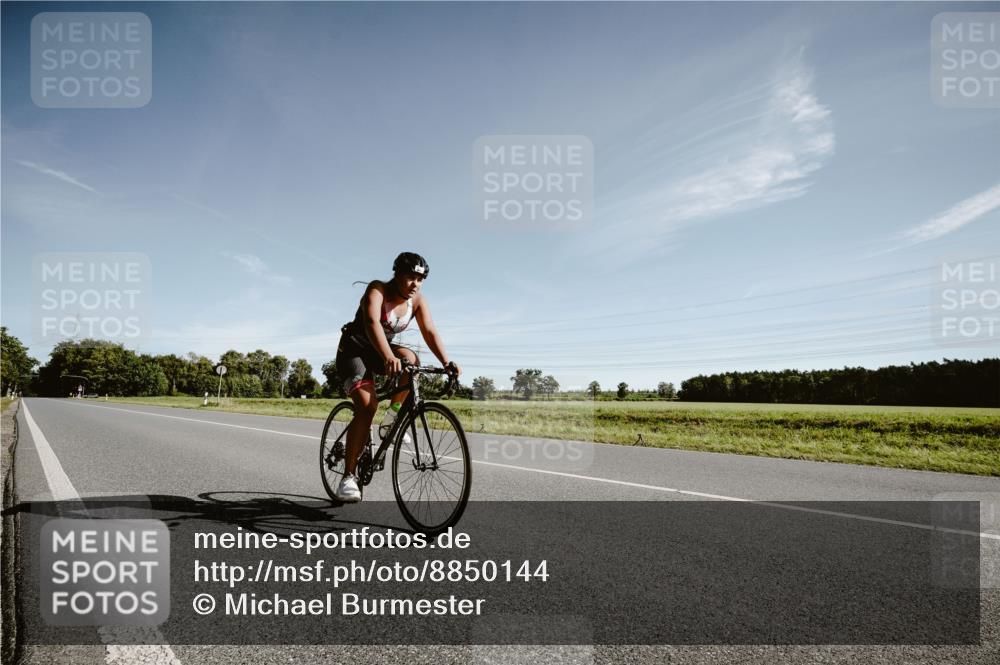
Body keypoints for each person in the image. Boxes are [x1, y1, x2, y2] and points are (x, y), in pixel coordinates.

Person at [333, 252, 461, 502]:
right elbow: (371, 322)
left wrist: (446, 363)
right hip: (354, 350)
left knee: (412, 362)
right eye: (410, 277)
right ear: (397, 275)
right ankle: (348, 477)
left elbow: (429, 331)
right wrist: (387, 357)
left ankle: (391, 418)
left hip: (382, 351)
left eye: (420, 279)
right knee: (368, 405)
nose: (415, 284)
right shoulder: (377, 290)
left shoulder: (418, 301)